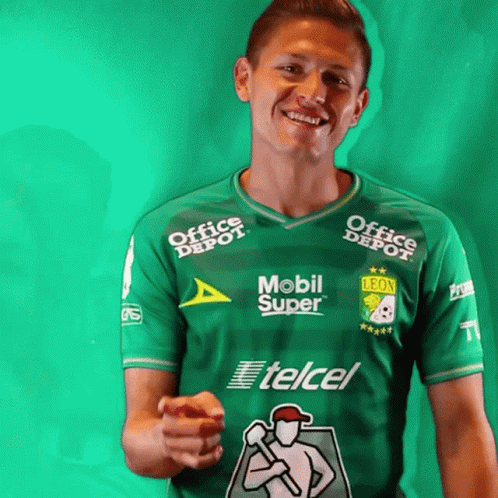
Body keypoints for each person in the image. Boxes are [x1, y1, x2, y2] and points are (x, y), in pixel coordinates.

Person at [120, 1, 498, 497]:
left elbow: (463, 432)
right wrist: (169, 439)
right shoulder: (168, 235)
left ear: (358, 106)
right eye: (291, 68)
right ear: (244, 78)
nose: (314, 93)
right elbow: (139, 442)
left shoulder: (423, 237)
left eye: (336, 79)